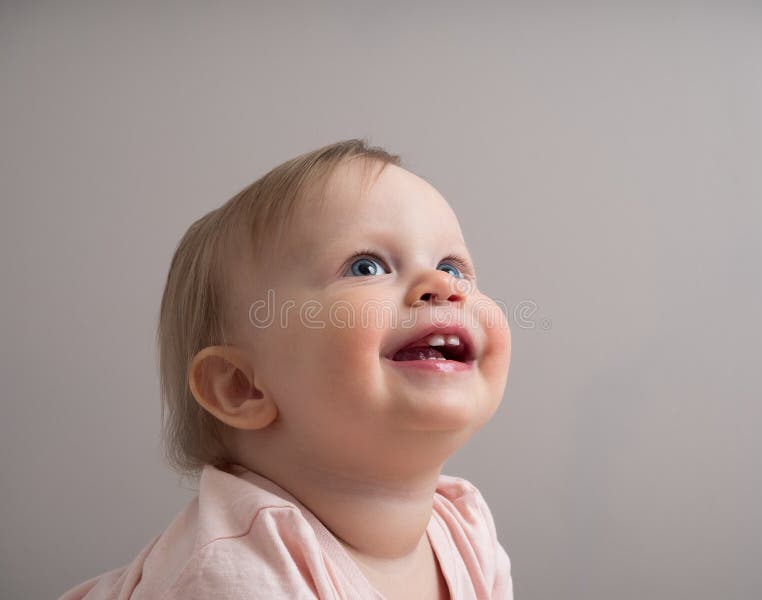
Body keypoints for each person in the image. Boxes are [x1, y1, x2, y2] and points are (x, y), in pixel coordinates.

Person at [59, 139, 513, 599]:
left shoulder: (465, 529)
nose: (442, 287)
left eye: (453, 268)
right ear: (241, 387)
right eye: (366, 266)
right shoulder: (237, 574)